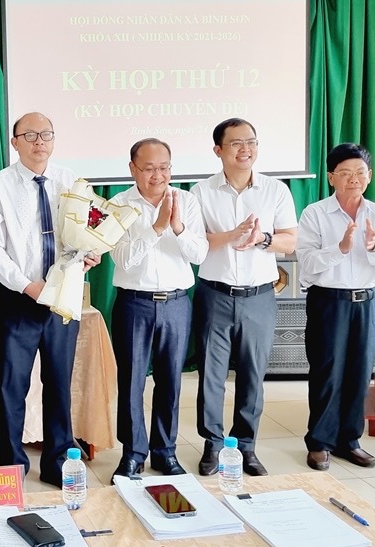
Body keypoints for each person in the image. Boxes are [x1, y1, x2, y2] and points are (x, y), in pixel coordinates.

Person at [0, 112, 100, 487]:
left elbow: (91, 230)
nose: (39, 142)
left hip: (63, 297)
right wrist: (26, 284)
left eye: (46, 134)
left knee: (59, 382)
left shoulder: (72, 182)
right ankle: (11, 467)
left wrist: (92, 253)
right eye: (29, 135)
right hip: (18, 298)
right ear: (14, 142)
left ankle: (58, 460)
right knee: (13, 386)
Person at [190, 118, 297, 477]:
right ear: (218, 150)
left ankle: (246, 446)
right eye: (236, 143)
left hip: (259, 296)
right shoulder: (200, 192)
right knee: (211, 375)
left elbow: (290, 240)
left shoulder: (275, 190)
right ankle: (213, 444)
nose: (245, 149)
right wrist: (231, 235)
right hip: (214, 294)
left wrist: (262, 240)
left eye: (250, 141)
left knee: (252, 375)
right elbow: (194, 243)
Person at [296, 143, 375, 471]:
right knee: (327, 373)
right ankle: (320, 442)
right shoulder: (314, 214)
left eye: (359, 173)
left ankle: (349, 440)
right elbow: (307, 264)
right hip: (329, 302)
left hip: (366, 303)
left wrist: (373, 246)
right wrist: (340, 248)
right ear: (331, 177)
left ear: (369, 177)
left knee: (359, 375)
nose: (353, 179)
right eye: (345, 173)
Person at [109, 138, 208, 479]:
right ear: (132, 169)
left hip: (177, 304)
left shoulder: (188, 201)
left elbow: (199, 254)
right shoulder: (118, 204)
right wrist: (156, 228)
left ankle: (165, 452)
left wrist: (177, 227)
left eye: (164, 168)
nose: (157, 175)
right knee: (132, 382)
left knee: (170, 382)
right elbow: (121, 258)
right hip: (134, 303)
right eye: (149, 168)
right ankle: (133, 453)